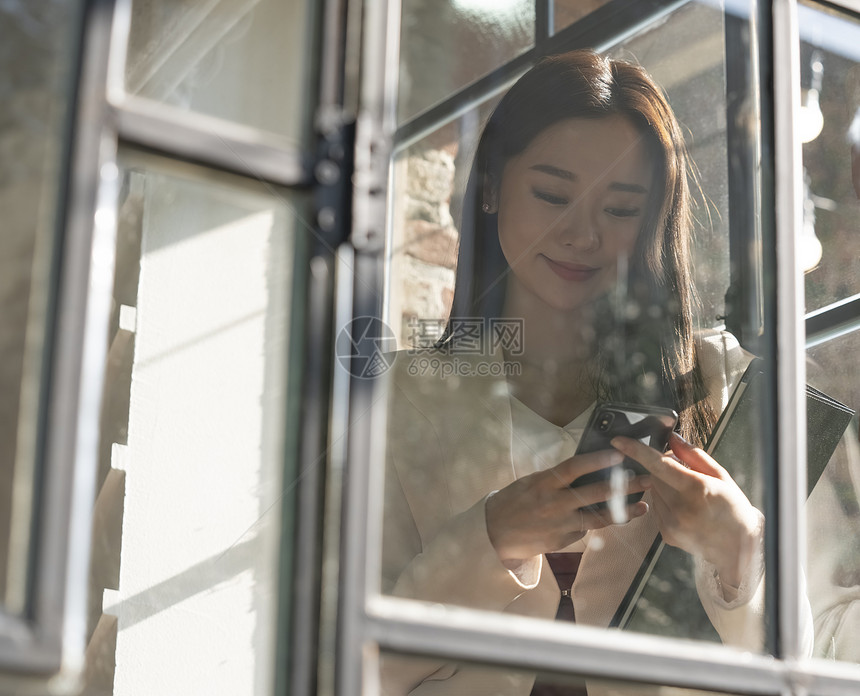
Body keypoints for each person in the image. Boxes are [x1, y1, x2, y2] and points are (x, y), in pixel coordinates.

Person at [380, 49, 812, 695]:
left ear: (653, 221)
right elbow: (349, 665)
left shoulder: (721, 384)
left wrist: (743, 548)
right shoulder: (396, 399)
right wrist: (489, 539)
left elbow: (817, 660)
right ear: (493, 188)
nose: (582, 234)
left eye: (619, 209)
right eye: (552, 194)